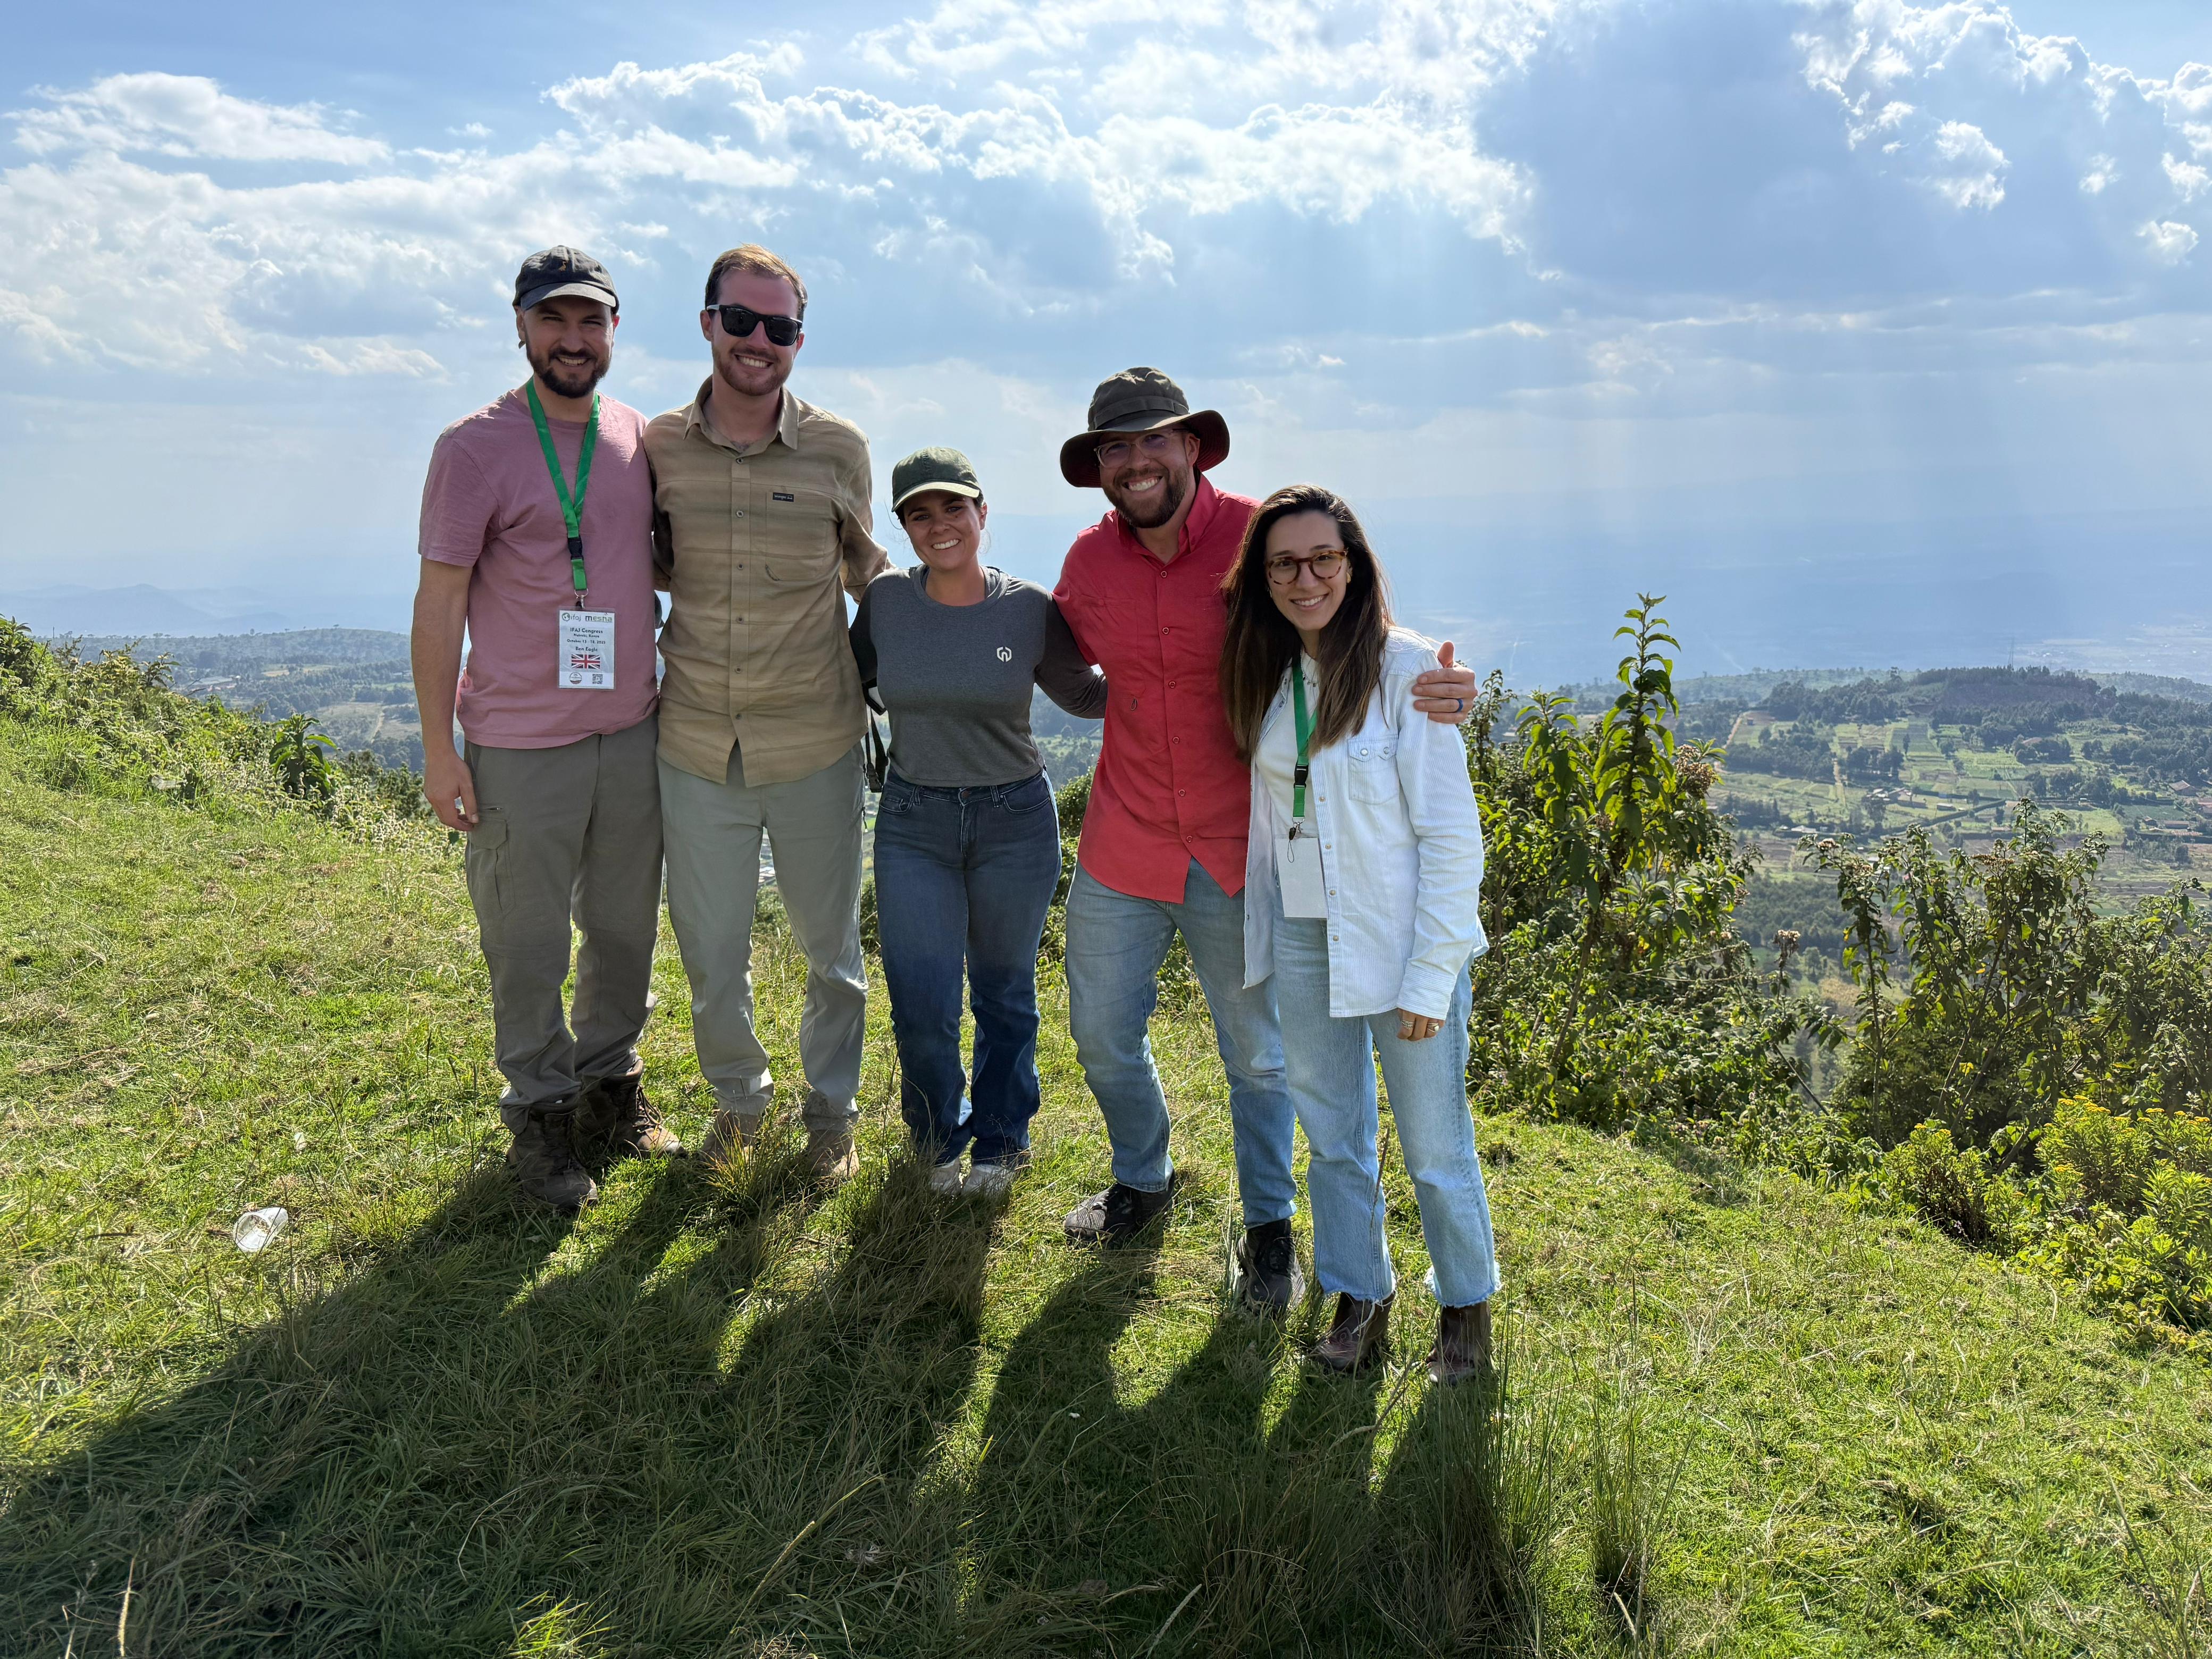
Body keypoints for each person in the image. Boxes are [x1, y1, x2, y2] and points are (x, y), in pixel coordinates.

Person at [1048, 368, 1480, 1316]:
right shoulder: (1089, 562)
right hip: (1123, 844)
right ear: (1099, 469)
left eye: (1153, 439)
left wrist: (1433, 681)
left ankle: (1270, 1232)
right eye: (1114, 448)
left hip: (1245, 855)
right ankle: (1144, 1176)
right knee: (1100, 1036)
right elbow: (1065, 656)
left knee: (1260, 1058)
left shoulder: (1255, 541)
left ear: (1192, 445)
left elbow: (1339, 612)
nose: (1135, 461)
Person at [410, 246, 681, 1214]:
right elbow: (440, 602)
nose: (574, 338)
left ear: (614, 331)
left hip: (631, 728)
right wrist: (441, 748)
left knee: (620, 928)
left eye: (591, 320)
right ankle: (539, 1107)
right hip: (519, 742)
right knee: (526, 939)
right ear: (521, 326)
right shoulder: (473, 447)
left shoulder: (634, 436)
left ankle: (613, 1085)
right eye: (554, 319)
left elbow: (654, 562)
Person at [1221, 484, 1497, 1383]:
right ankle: (1360, 1293)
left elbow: (1454, 839)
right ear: (1264, 579)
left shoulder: (1404, 671)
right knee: (1335, 1135)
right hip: (1304, 936)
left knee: (1434, 1145)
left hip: (1397, 943)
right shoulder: (1268, 671)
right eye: (1285, 564)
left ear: (1355, 565)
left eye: (1324, 559)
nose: (1306, 579)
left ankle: (1464, 1310)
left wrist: (1429, 978)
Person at [646, 245, 888, 1180]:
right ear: (707, 322)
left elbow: (873, 575)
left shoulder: (839, 448)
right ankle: (740, 1108)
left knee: (831, 954)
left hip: (817, 740)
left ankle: (831, 1116)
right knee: (711, 950)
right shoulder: (655, 446)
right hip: (697, 737)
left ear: (799, 340)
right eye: (739, 321)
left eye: (778, 327)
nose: (757, 341)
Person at [850, 447, 1109, 1195]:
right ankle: (936, 1136)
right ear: (903, 527)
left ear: (982, 513)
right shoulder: (887, 602)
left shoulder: (1027, 608)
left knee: (1004, 990)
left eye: (953, 508)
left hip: (1013, 820)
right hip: (914, 818)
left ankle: (1001, 1138)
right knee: (922, 995)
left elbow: (1086, 696)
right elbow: (845, 678)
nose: (940, 526)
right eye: (919, 514)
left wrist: (1179, 677)